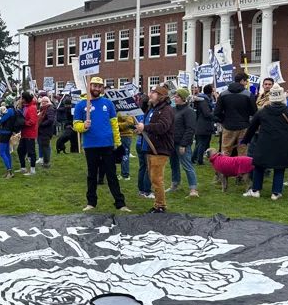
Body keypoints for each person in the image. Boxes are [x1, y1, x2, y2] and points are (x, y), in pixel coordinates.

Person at [72, 77, 131, 212]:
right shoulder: (81, 105)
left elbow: (114, 124)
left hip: (107, 144)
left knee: (111, 174)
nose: (97, 89)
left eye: (99, 86)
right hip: (90, 145)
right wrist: (83, 126)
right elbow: (75, 125)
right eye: (94, 86)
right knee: (92, 175)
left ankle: (120, 203)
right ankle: (91, 202)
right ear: (89, 86)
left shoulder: (108, 103)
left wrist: (118, 142)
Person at [241, 86, 288, 199]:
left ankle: (255, 190)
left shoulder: (262, 111)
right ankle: (276, 193)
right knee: (279, 167)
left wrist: (245, 140)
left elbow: (252, 127)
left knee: (259, 166)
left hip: (264, 142)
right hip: (283, 143)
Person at [135, 85, 175, 213]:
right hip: (150, 147)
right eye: (151, 92)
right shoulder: (152, 109)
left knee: (157, 179)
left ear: (161, 96)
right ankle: (158, 204)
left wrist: (145, 127)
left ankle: (160, 206)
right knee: (153, 178)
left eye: (154, 92)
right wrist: (140, 130)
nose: (150, 94)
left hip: (160, 148)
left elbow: (163, 127)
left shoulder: (166, 110)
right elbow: (148, 127)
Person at [213, 72, 256, 157]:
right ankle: (242, 166)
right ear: (242, 81)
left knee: (225, 151)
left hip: (228, 126)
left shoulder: (223, 94)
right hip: (243, 126)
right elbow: (254, 111)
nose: (246, 83)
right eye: (246, 81)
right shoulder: (248, 94)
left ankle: (224, 166)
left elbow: (217, 112)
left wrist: (224, 119)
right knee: (243, 152)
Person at [167, 88, 199, 196]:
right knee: (174, 164)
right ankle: (175, 184)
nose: (174, 99)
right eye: (175, 96)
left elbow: (190, 129)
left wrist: (183, 144)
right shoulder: (173, 109)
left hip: (182, 143)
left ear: (183, 98)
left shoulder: (189, 111)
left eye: (177, 97)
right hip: (172, 142)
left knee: (187, 165)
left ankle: (193, 189)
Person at [192, 84, 215, 165]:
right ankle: (200, 160)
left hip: (200, 124)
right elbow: (207, 114)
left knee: (200, 142)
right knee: (202, 143)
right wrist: (214, 112)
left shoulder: (201, 99)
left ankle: (193, 157)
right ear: (210, 92)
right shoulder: (204, 101)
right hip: (204, 124)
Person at [16, 92, 38, 175]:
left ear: (25, 99)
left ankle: (32, 170)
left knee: (31, 152)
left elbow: (32, 121)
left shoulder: (32, 108)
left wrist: (23, 123)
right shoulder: (26, 107)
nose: (21, 100)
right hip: (24, 133)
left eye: (22, 98)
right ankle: (23, 167)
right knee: (20, 150)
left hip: (30, 133)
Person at [0, 98, 16, 178]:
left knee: (1, 153)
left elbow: (0, 121)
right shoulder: (12, 110)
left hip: (5, 133)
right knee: (7, 152)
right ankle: (8, 170)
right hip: (8, 132)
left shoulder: (9, 111)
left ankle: (9, 171)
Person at [37, 96, 56, 169]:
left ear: (48, 102)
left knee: (45, 147)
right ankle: (45, 163)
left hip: (46, 131)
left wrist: (41, 124)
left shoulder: (49, 109)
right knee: (43, 147)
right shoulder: (43, 109)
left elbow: (51, 120)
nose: (43, 102)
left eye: (45, 101)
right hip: (42, 131)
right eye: (42, 101)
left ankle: (46, 163)